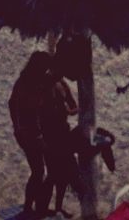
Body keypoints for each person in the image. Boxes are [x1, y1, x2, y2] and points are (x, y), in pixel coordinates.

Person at [9, 52, 53, 217]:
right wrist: (20, 129)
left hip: (30, 132)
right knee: (38, 171)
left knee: (41, 171)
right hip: (29, 133)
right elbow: (20, 108)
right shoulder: (27, 84)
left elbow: (12, 104)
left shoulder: (32, 81)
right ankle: (29, 207)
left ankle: (37, 206)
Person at [37, 68, 79, 217]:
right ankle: (41, 208)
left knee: (64, 175)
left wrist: (68, 111)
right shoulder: (42, 85)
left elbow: (74, 107)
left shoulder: (62, 83)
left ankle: (58, 208)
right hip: (49, 136)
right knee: (53, 174)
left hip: (63, 133)